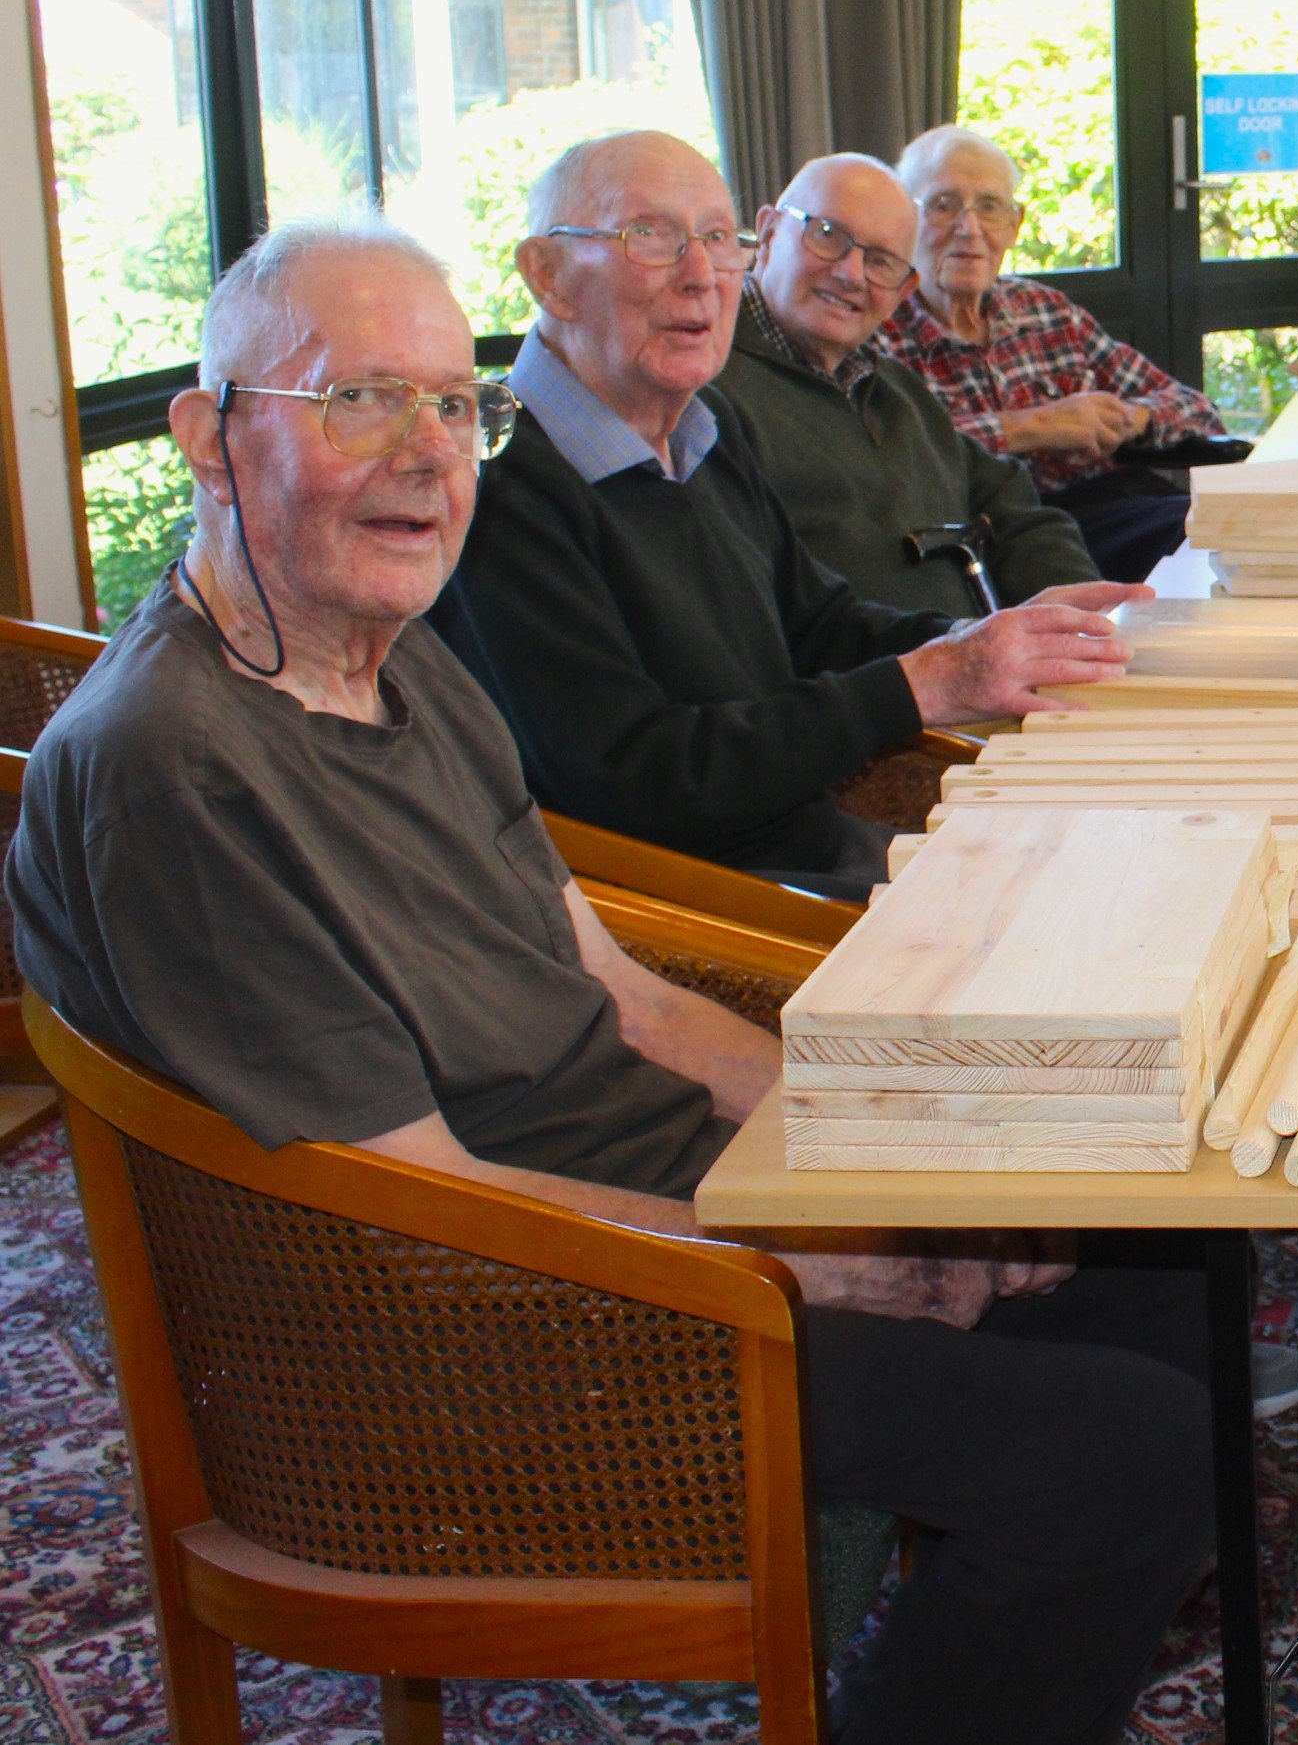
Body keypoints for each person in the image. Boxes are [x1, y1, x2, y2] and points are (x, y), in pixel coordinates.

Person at [7, 216, 1216, 1745]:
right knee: (1127, 1452)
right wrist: (800, 1271)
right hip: (499, 1337)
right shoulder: (174, 767)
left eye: (456, 405)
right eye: (360, 398)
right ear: (208, 435)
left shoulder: (398, 653)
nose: (430, 455)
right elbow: (418, 1195)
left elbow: (624, 994)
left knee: (1161, 1260)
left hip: (635, 1224)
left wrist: (898, 1155)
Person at [430, 130, 1150, 894]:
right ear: (548, 276)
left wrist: (981, 641)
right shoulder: (495, 488)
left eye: (715, 237)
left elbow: (816, 621)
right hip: (713, 903)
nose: (702, 275)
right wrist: (922, 683)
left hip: (818, 836)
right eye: (651, 237)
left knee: (1129, 847)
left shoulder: (704, 427)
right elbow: (639, 782)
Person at [712, 151, 1102, 616]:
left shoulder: (892, 387)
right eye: (828, 235)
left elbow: (1009, 501)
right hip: (871, 679)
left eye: (881, 261)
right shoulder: (705, 389)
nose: (850, 274)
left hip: (976, 665)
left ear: (902, 290)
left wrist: (1074, 609)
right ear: (769, 232)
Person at [878, 125, 1227, 580]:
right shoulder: (878, 328)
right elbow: (892, 459)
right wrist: (1034, 427)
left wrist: (1127, 418)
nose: (970, 229)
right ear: (905, 221)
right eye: (944, 205)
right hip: (989, 539)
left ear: (1015, 224)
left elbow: (1199, 412)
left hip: (1115, 507)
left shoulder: (1045, 311)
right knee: (1207, 543)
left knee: (1241, 532)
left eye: (990, 207)